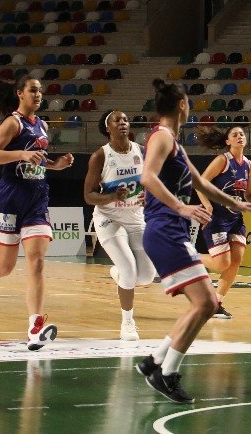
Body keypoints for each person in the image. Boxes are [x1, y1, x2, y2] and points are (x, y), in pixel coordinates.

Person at [135, 79, 251, 404]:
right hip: (165, 228)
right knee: (207, 303)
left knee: (202, 304)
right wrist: (180, 206)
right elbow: (147, 176)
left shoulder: (174, 143)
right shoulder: (162, 136)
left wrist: (237, 203)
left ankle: (155, 361)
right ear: (182, 105)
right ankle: (166, 374)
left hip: (171, 229)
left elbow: (201, 184)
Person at [0, 74, 75, 352]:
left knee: (37, 262)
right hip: (10, 198)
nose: (38, 95)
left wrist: (55, 165)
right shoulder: (12, 123)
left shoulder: (43, 125)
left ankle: (35, 327)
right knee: (5, 266)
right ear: (20, 94)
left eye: (40, 91)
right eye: (33, 90)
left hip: (37, 198)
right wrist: (20, 155)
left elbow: (37, 159)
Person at [83, 109, 157, 342]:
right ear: (108, 128)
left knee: (146, 276)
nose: (123, 122)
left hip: (135, 216)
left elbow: (154, 181)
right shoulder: (100, 156)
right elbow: (88, 195)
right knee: (128, 269)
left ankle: (117, 274)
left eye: (125, 119)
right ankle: (127, 323)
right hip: (109, 218)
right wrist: (112, 196)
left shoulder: (141, 151)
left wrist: (150, 195)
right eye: (117, 120)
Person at [195, 125, 251, 320]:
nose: (239, 137)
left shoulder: (249, 165)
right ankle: (188, 256)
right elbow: (200, 183)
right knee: (221, 263)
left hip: (235, 218)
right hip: (217, 218)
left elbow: (249, 194)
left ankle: (216, 303)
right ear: (227, 141)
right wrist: (207, 206)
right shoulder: (222, 161)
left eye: (242, 134)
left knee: (236, 260)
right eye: (234, 135)